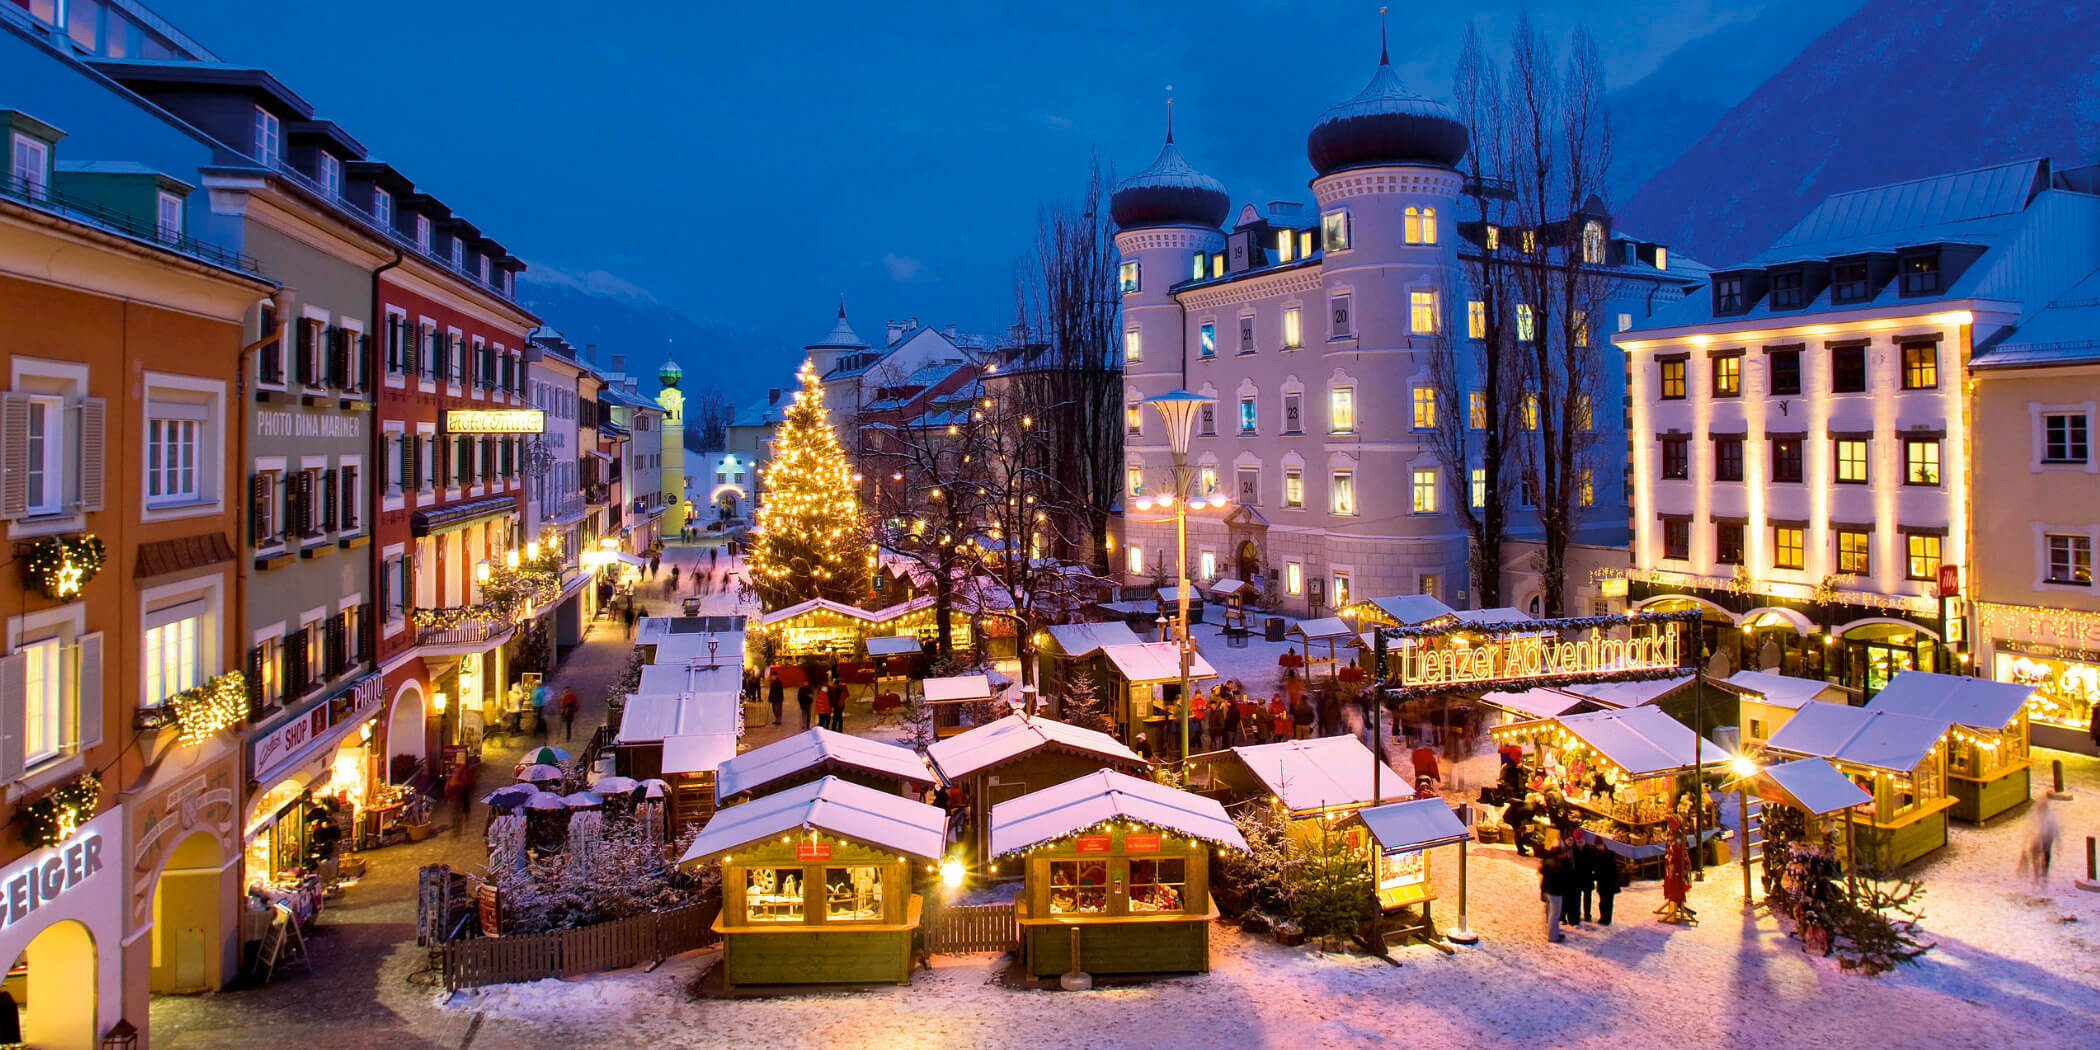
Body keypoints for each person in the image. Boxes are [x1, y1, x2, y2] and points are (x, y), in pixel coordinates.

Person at [1586, 831, 1620, 926]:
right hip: (1601, 882)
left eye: (1600, 845)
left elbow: (1614, 870)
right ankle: (1603, 917)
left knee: (1608, 902)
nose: (1599, 847)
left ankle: (1607, 919)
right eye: (1597, 845)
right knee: (1602, 902)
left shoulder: (1610, 854)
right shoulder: (1595, 855)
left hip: (1609, 882)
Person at [2027, 795, 2062, 884]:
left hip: (2047, 837)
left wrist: (2058, 843)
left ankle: (2042, 874)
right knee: (2039, 853)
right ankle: (2041, 873)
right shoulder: (2042, 816)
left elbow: (2053, 830)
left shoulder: (2048, 818)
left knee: (2042, 853)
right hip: (2044, 836)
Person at [1540, 846, 1567, 943]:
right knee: (1555, 914)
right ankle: (1553, 936)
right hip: (1555, 892)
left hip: (1547, 890)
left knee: (1549, 912)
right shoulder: (1559, 865)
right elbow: (1562, 879)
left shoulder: (1547, 862)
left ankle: (1549, 930)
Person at [1556, 838, 1584, 928]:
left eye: (1571, 840)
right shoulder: (1562, 850)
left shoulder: (1576, 850)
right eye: (1568, 840)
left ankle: (1574, 920)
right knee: (1564, 899)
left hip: (1575, 879)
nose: (1570, 841)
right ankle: (1562, 918)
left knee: (1574, 900)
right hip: (1565, 879)